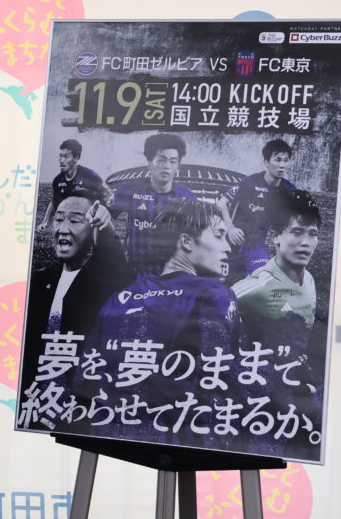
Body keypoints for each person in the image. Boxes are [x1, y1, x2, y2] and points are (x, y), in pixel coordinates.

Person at [91, 199, 244, 443]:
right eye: (218, 235)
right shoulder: (214, 294)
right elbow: (221, 376)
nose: (227, 247)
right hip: (179, 437)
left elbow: (87, 377)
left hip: (114, 435)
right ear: (186, 242)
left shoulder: (120, 298)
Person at [20, 190, 130, 395]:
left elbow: (115, 266)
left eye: (75, 221)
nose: (63, 229)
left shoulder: (108, 281)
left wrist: (105, 228)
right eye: (58, 219)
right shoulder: (40, 281)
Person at [232, 189, 319, 355]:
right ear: (275, 236)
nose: (306, 243)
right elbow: (211, 312)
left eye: (313, 234)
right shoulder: (258, 286)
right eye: (297, 232)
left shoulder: (308, 279)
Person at [108, 133, 197, 273]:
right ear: (150, 163)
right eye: (161, 160)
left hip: (170, 275)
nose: (166, 166)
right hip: (135, 273)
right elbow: (106, 215)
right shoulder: (129, 190)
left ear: (178, 166)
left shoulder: (187, 197)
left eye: (173, 161)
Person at [217, 138, 296, 276]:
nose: (282, 165)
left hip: (257, 246)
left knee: (260, 280)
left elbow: (294, 220)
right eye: (277, 160)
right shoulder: (250, 182)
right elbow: (221, 203)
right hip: (232, 242)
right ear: (266, 162)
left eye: (286, 160)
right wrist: (230, 228)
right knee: (220, 282)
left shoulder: (289, 190)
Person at [37, 139, 114, 232]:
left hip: (94, 222)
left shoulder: (89, 175)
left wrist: (104, 214)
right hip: (75, 224)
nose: (61, 160)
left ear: (76, 157)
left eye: (66, 156)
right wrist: (45, 221)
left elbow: (108, 195)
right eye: (60, 156)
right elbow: (54, 201)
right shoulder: (58, 180)